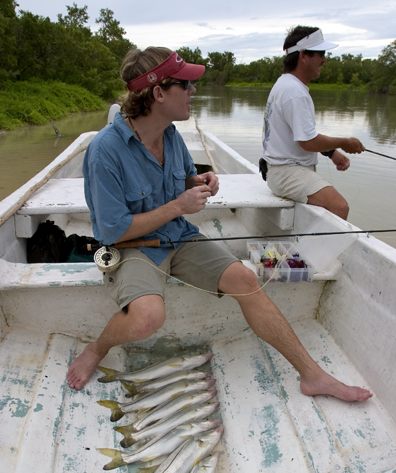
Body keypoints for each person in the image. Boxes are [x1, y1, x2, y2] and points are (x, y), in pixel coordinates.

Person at [67, 46, 371, 403]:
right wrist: (178, 206)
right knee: (147, 317)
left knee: (245, 278)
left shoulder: (171, 135)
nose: (194, 91)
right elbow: (111, 231)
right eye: (186, 84)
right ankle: (96, 348)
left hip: (178, 238)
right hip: (133, 248)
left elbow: (179, 185)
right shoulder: (104, 150)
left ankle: (313, 375)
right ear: (158, 93)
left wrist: (197, 184)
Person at [260, 26, 365, 220]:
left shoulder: (286, 84)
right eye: (321, 54)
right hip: (287, 172)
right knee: (339, 207)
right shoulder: (294, 92)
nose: (324, 60)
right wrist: (344, 142)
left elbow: (299, 134)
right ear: (303, 56)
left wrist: (331, 152)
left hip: (280, 171)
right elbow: (308, 142)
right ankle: (316, 251)